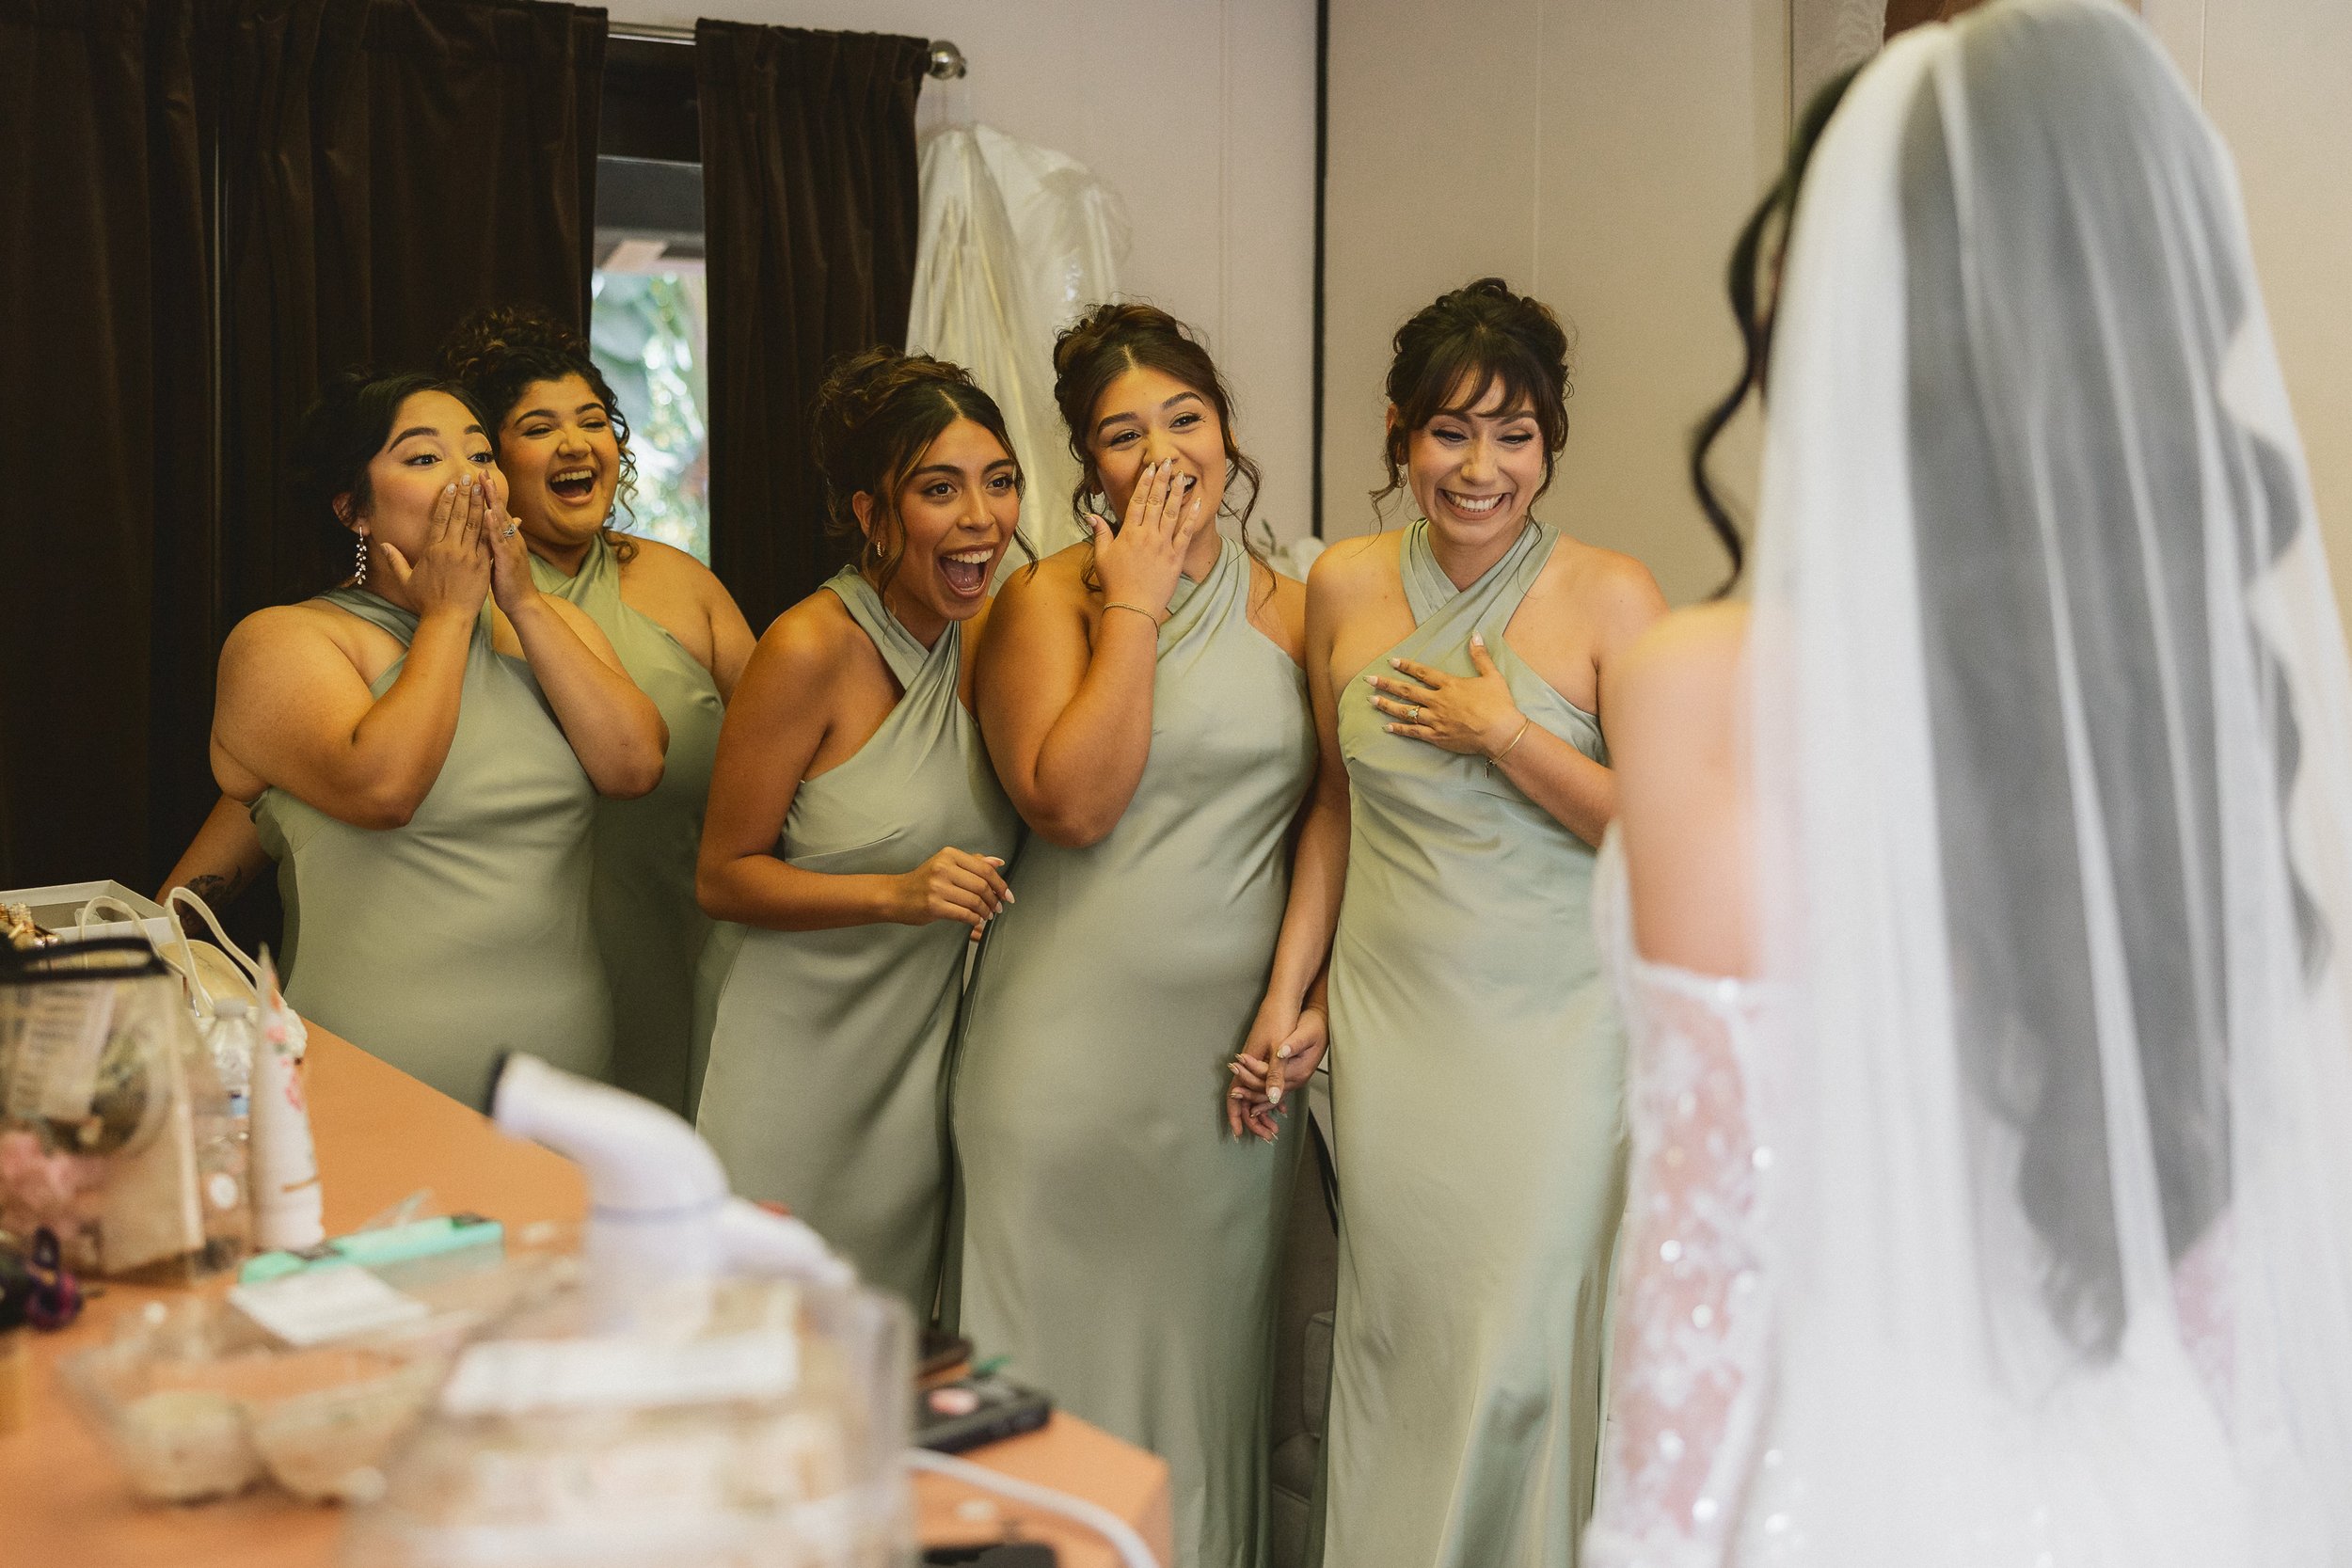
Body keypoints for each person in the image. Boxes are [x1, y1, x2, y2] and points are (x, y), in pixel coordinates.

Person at [1589, 4, 2352, 1564]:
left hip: (1854, 1485)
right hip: (2164, 1482)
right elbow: (2210, 1253)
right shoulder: (2184, 703)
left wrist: (1650, 1547)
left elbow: (1712, 1243)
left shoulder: (1713, 684)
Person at [1248, 278, 1663, 1568]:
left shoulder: (1611, 596)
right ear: (1398, 434)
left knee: (1524, 1348)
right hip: (1394, 1027)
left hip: (1553, 1033)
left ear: (1551, 446)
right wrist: (1287, 995)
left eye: (1515, 435)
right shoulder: (1345, 583)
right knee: (1403, 1344)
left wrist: (1510, 736)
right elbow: (1333, 804)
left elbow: (1654, 837)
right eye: (1450, 431)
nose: (1481, 467)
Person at [950, 302, 1314, 1568]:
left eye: (1186, 416)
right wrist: (1138, 605)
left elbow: (1338, 814)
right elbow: (1074, 802)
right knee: (1057, 1394)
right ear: (1087, 465)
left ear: (1227, 429)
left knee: (1206, 1388)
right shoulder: (1044, 599)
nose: (1163, 450)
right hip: (1068, 1068)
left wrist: (1298, 998)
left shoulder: (1297, 603)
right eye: (1123, 433)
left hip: (1226, 1079)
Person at [203, 371, 666, 1100]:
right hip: (370, 1074)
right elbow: (384, 787)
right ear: (353, 510)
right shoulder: (284, 642)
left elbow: (635, 766)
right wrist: (448, 616)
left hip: (559, 1071)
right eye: (424, 459)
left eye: (481, 457)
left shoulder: (550, 627)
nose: (468, 481)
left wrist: (521, 600)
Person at [693, 349, 1023, 1314]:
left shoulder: (995, 632)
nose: (980, 519)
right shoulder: (808, 648)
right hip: (797, 1065)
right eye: (939, 488)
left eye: (999, 482)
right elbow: (722, 875)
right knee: (765, 1350)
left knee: (882, 1368)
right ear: (871, 512)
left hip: (920, 1075)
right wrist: (900, 892)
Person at [441, 307, 754, 1116]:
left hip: (692, 954)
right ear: (489, 463)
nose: (577, 444)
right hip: (513, 982)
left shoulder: (683, 583)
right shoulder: (448, 605)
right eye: (540, 427)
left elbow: (789, 761)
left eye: (593, 422)